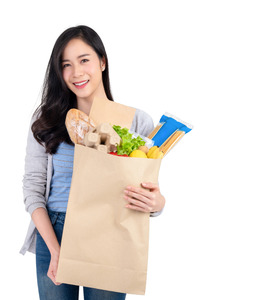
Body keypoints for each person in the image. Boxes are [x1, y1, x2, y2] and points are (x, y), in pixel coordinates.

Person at [20, 25, 166, 300]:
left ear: (102, 61)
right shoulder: (46, 119)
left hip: (110, 233)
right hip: (55, 230)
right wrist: (55, 249)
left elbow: (149, 191)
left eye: (84, 60)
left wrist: (157, 205)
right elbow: (33, 189)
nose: (76, 72)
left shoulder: (136, 122)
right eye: (66, 64)